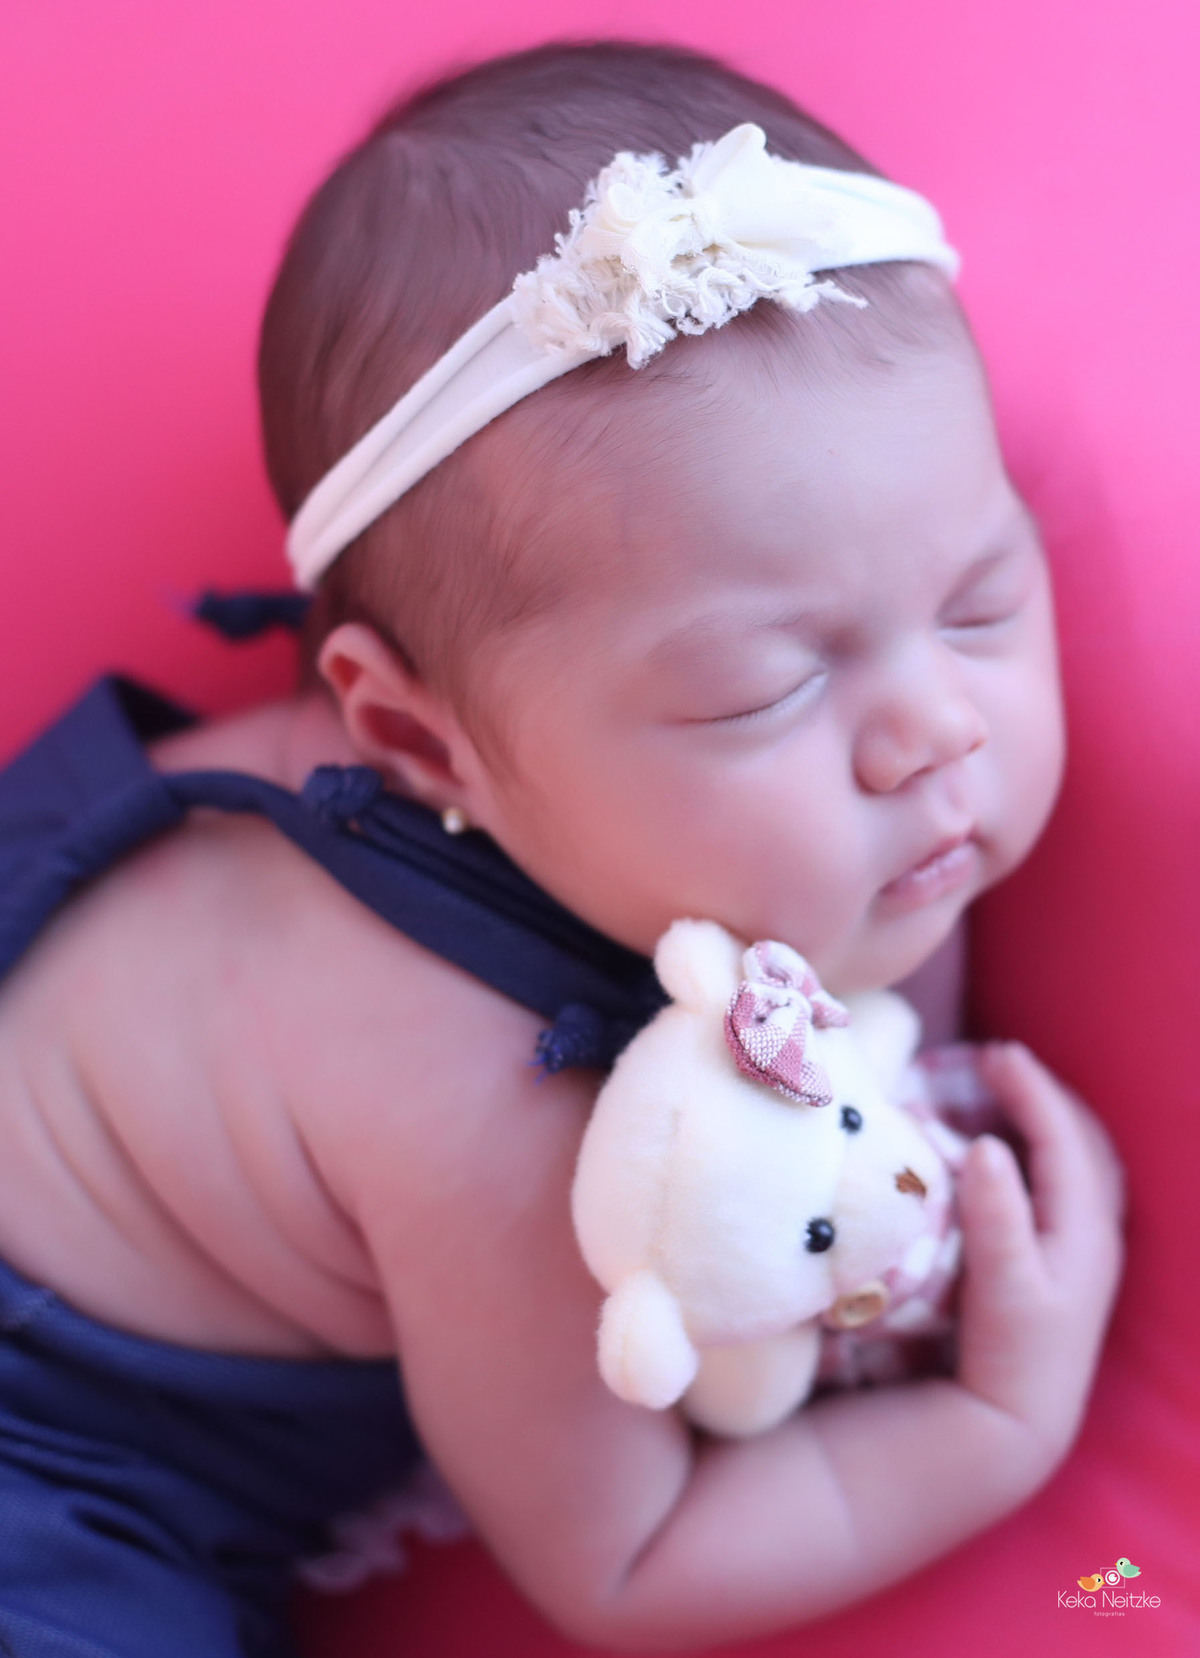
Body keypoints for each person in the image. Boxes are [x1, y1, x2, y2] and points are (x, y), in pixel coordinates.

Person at [0, 39, 1123, 1658]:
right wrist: (997, 1425)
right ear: (418, 740)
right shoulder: (490, 1116)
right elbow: (630, 1559)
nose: (941, 729)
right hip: (46, 1453)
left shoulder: (690, 814)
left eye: (982, 601)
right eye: (769, 686)